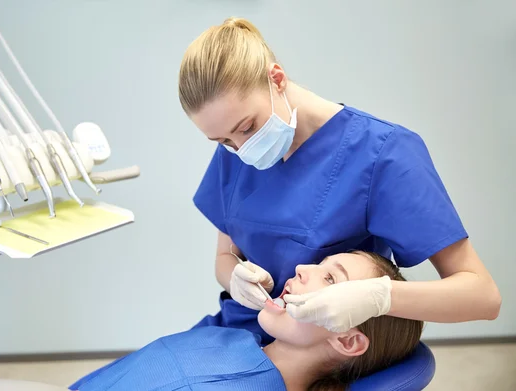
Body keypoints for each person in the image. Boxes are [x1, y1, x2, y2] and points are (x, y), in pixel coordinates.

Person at [178, 17, 501, 344]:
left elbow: (482, 296)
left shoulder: (383, 155)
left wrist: (378, 296)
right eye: (222, 141)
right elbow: (225, 256)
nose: (241, 148)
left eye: (247, 128)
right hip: (235, 333)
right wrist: (234, 277)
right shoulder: (236, 151)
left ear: (276, 79)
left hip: (313, 349)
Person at [70, 252, 423, 391]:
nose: (303, 268)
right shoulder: (235, 339)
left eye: (331, 279)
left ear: (347, 341)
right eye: (321, 264)